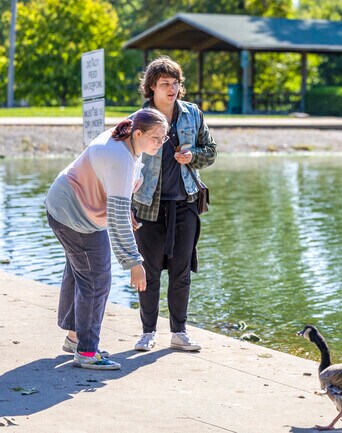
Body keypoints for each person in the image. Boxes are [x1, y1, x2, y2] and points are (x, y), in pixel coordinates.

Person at [45, 108, 169, 370]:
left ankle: (74, 338)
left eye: (164, 138)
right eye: (157, 138)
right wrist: (134, 262)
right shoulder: (118, 156)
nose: (161, 143)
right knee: (97, 279)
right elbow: (115, 219)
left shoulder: (129, 143)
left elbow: (118, 199)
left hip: (75, 209)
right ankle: (87, 353)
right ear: (138, 133)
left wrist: (129, 211)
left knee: (81, 271)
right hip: (72, 213)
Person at [132, 55, 216, 352]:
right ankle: (147, 332)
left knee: (181, 271)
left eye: (175, 82)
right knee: (149, 272)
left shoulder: (193, 114)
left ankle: (179, 332)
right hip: (146, 206)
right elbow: (126, 161)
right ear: (151, 87)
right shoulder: (138, 120)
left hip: (186, 203)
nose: (171, 88)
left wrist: (193, 156)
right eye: (164, 83)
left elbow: (211, 150)